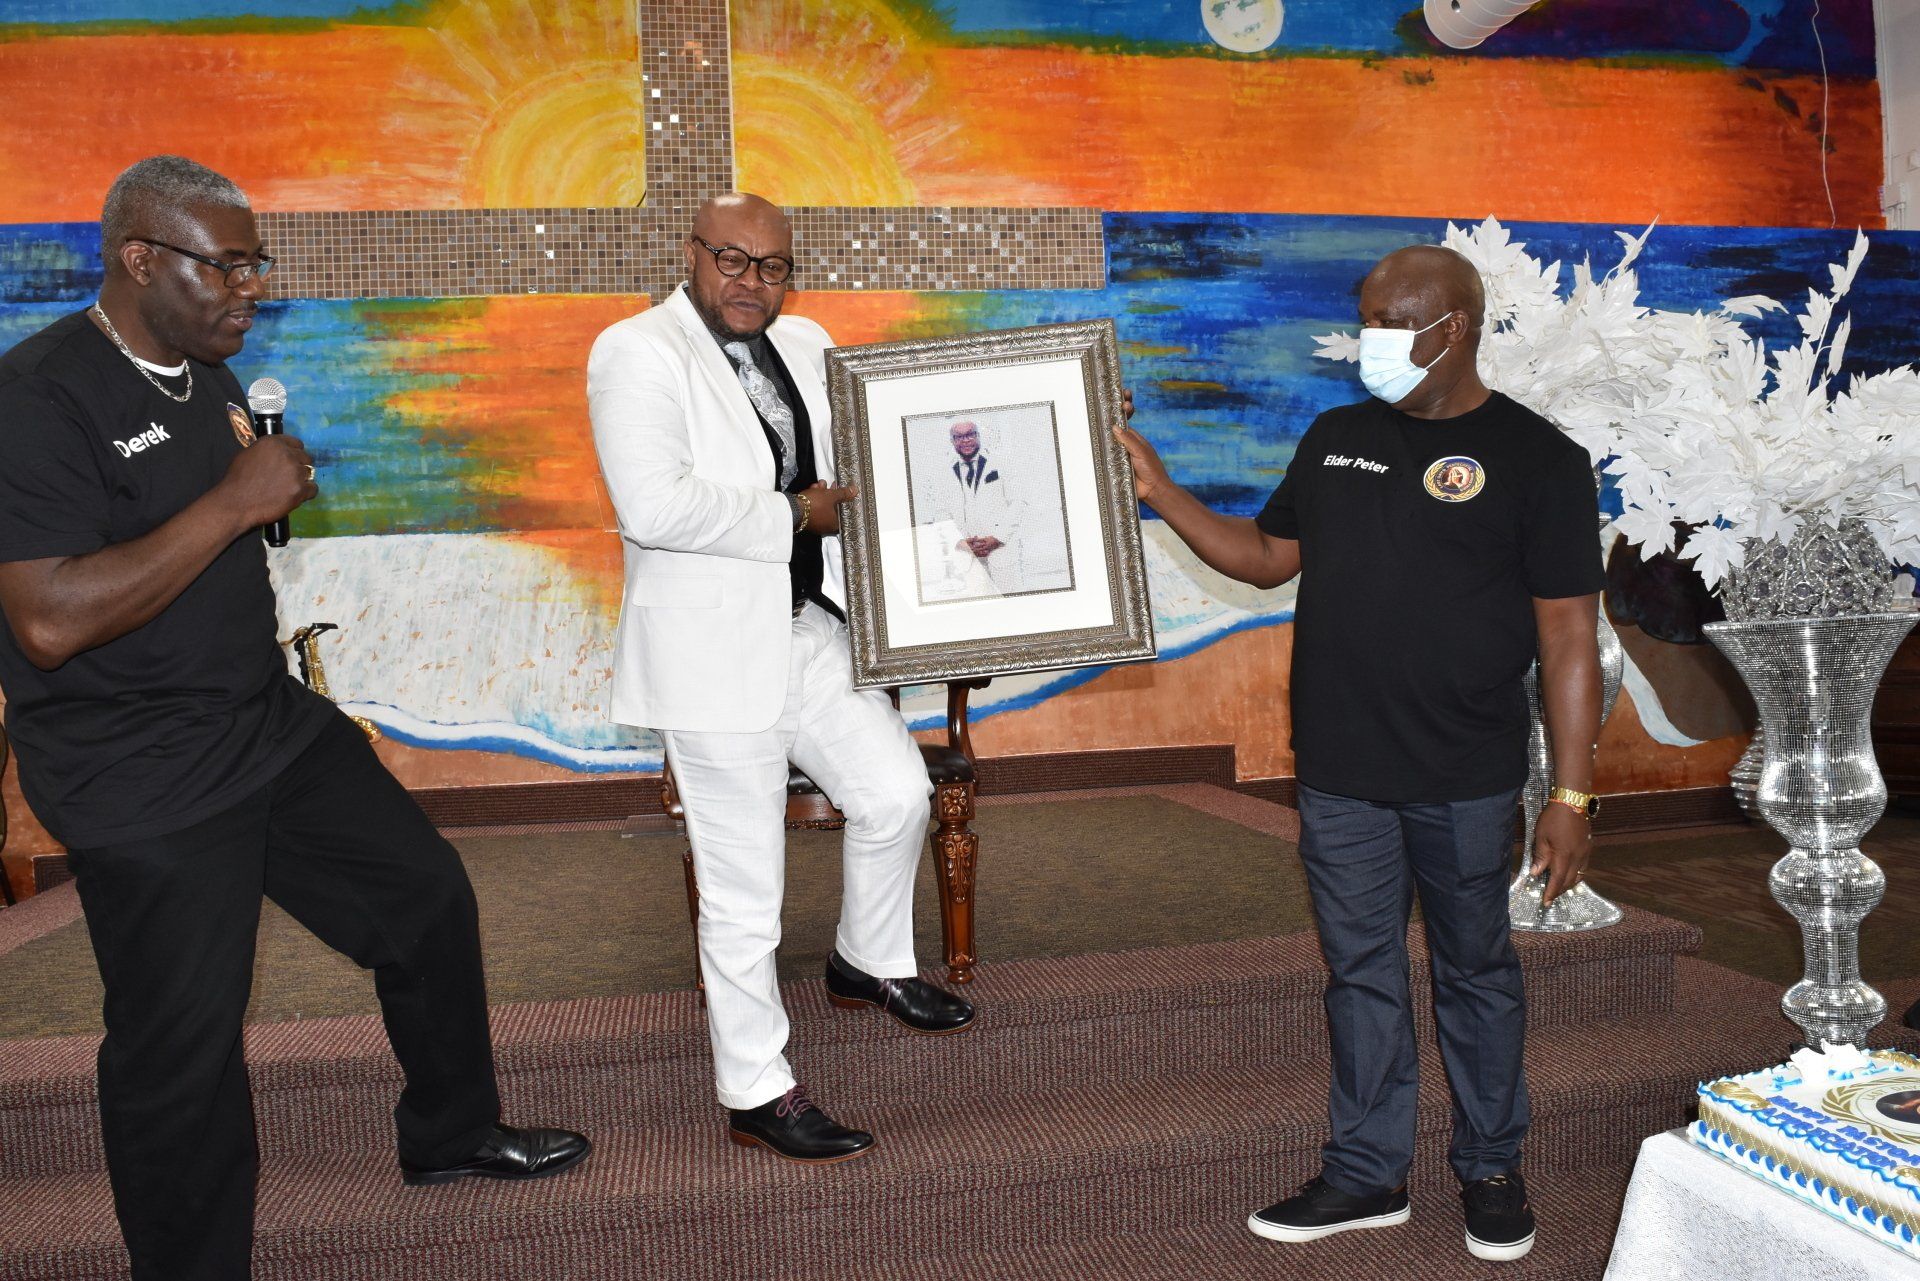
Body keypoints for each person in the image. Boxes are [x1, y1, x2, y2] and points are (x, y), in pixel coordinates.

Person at [0, 156, 589, 1281]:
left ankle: (450, 1132)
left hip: (260, 723)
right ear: (140, 259)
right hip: (140, 771)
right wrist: (234, 502)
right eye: (226, 267)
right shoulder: (36, 400)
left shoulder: (205, 371)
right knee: (181, 1044)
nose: (250, 288)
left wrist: (256, 494)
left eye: (254, 264)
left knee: (424, 899)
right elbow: (48, 619)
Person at [1116, 244, 1604, 1264]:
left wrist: (1571, 795)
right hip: (1340, 774)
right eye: (1367, 316)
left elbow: (1567, 636)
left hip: (1466, 776)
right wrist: (1161, 489)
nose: (1369, 339)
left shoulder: (1540, 459)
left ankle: (1491, 1167)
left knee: (1476, 972)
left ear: (1453, 328)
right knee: (1360, 975)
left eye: (1391, 322)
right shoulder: (1336, 438)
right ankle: (1368, 1171)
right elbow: (1263, 559)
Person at [586, 192, 975, 1164]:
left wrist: (1033, 434)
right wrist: (797, 515)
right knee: (744, 893)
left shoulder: (806, 345)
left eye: (772, 266)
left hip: (809, 628)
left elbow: (876, 456)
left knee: (897, 795)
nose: (752, 282)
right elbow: (654, 507)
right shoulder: (635, 353)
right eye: (733, 259)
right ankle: (758, 1089)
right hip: (710, 659)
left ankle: (865, 961)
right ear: (692, 254)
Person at [925, 418, 1026, 594]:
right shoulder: (943, 473)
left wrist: (997, 538)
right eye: (959, 437)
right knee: (979, 606)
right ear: (952, 441)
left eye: (970, 435)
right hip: (966, 558)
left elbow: (1018, 503)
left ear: (978, 435)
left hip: (1002, 553)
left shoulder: (1002, 462)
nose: (965, 440)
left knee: (1013, 602)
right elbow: (941, 513)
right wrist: (959, 542)